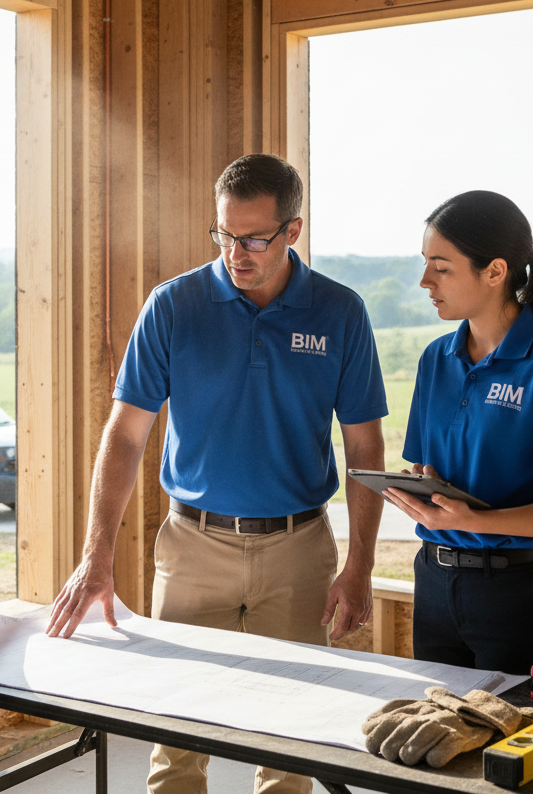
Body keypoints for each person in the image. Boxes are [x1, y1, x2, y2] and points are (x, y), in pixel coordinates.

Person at [46, 153, 388, 794]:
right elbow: (124, 436)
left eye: (255, 238)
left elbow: (365, 447)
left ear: (293, 230)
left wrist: (362, 564)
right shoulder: (173, 306)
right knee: (174, 741)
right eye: (225, 235)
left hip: (299, 551)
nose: (237, 252)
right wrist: (98, 555)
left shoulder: (340, 312)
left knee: (290, 747)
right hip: (192, 549)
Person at [383, 190, 533, 676]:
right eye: (426, 264)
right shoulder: (434, 360)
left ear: (495, 271)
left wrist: (473, 521)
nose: (425, 281)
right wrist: (419, 489)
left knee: (517, 750)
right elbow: (431, 466)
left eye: (441, 267)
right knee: (442, 743)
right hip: (435, 585)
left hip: (521, 597)